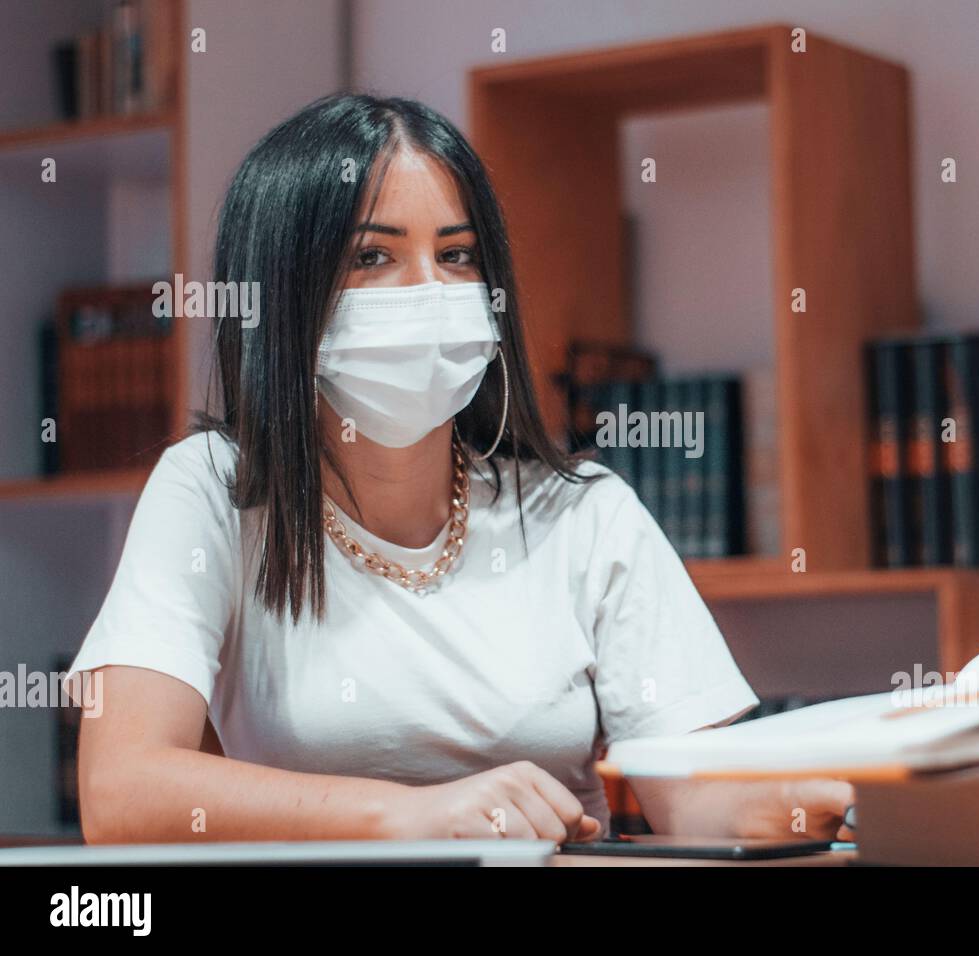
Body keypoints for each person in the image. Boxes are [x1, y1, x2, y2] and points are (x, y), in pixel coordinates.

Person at [67, 93, 853, 845]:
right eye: (372, 256)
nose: (431, 292)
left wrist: (872, 772)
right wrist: (409, 818)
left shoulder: (584, 516)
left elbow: (705, 803)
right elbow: (122, 791)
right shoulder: (215, 489)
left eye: (457, 255)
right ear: (282, 294)